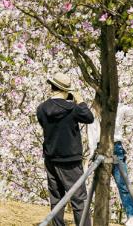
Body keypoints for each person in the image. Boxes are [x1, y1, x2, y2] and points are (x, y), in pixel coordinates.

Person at [36, 72, 95, 226]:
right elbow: (89, 118)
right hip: (70, 160)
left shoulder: (41, 108)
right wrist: (80, 100)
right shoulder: (73, 109)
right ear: (66, 90)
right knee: (79, 199)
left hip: (51, 158)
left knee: (56, 198)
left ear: (52, 86)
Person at [87, 102, 133, 226]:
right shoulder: (94, 110)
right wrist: (92, 151)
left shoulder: (119, 107)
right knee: (101, 186)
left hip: (115, 146)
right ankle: (100, 217)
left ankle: (132, 217)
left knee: (123, 184)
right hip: (100, 148)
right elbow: (92, 133)